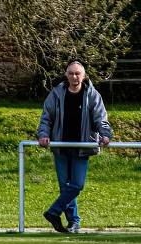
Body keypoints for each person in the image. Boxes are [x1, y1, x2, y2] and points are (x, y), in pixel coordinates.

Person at [38, 60, 112, 234]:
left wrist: (106, 134)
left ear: (84, 76)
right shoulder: (56, 94)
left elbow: (100, 118)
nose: (74, 76)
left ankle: (53, 212)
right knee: (65, 187)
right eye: (71, 73)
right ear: (66, 75)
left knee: (76, 185)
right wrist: (43, 135)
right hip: (61, 146)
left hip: (82, 146)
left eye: (77, 73)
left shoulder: (92, 95)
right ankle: (74, 222)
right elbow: (46, 117)